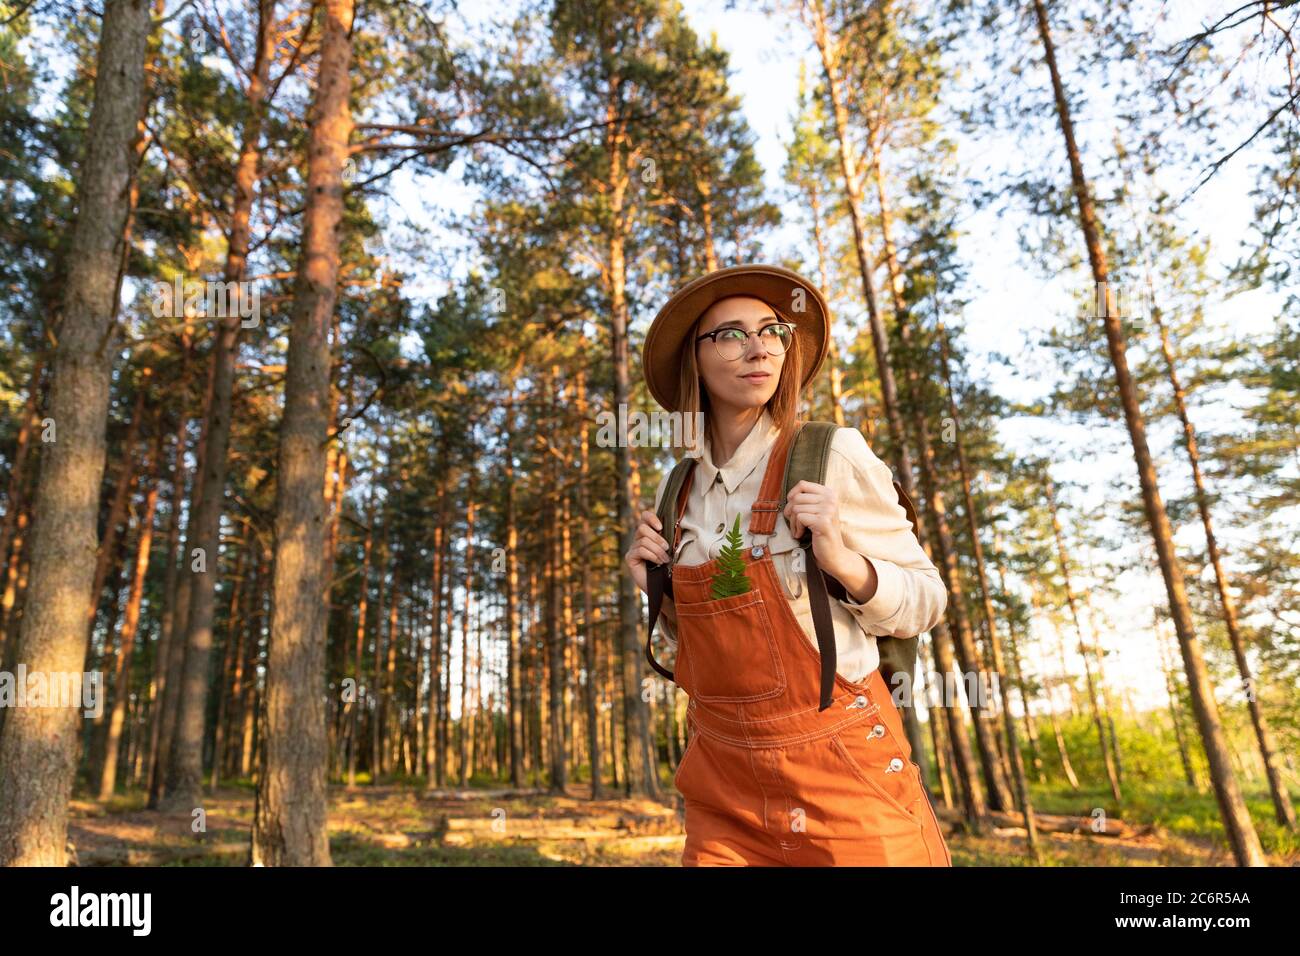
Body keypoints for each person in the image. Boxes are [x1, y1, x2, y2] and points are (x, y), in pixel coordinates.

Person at [625, 264, 953, 866]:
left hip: (845, 772)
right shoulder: (678, 490)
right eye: (730, 334)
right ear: (692, 361)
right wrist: (658, 593)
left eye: (773, 330)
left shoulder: (831, 453)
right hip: (722, 784)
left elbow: (928, 600)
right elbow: (703, 642)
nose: (759, 347)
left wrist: (844, 561)